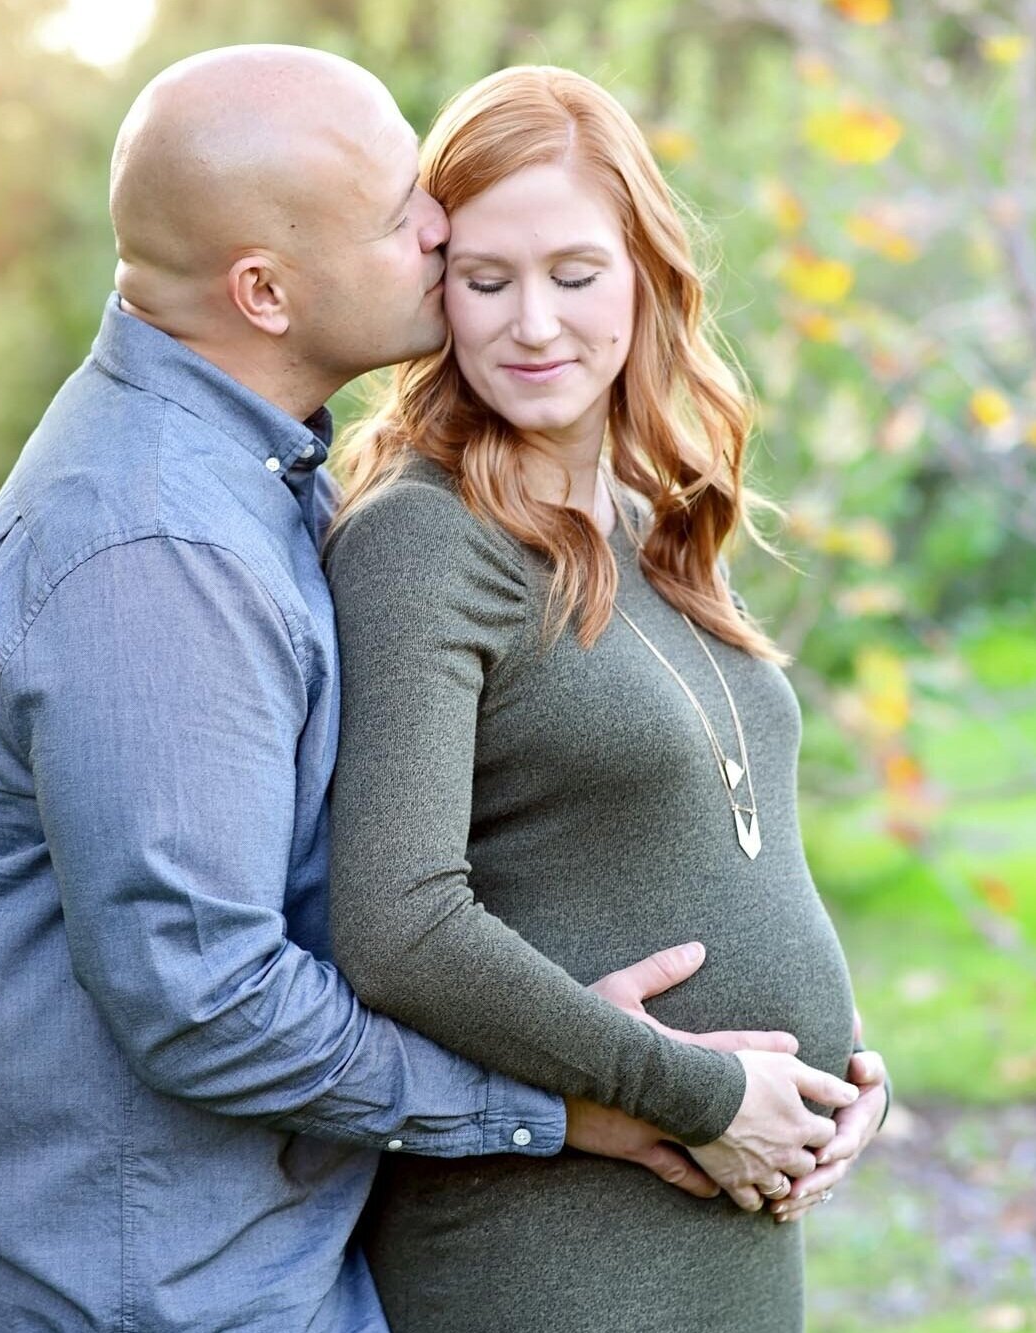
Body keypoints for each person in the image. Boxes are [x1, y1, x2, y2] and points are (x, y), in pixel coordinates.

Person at [0, 46, 857, 1333]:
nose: (441, 232)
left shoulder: (262, 486)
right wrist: (580, 1102)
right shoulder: (157, 547)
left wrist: (806, 1075)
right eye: (408, 218)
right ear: (265, 291)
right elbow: (214, 1001)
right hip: (129, 1292)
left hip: (240, 1265)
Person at [324, 65, 892, 1332]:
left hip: (729, 1239)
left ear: (643, 270)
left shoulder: (652, 526)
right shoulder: (426, 539)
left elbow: (723, 849)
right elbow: (397, 921)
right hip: (548, 1254)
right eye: (486, 280)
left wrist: (847, 1073)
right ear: (438, 295)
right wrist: (696, 1090)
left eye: (574, 274)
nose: (533, 324)